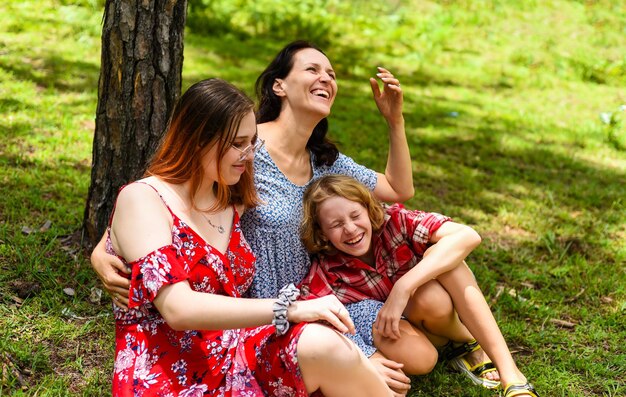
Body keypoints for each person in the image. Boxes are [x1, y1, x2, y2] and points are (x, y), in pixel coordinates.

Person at [92, 40, 448, 395]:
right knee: (330, 348)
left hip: (249, 337)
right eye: (239, 144)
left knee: (383, 354)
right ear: (198, 139)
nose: (248, 155)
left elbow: (398, 189)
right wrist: (103, 252)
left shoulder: (233, 194)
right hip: (173, 367)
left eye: (250, 144)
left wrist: (394, 121)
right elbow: (172, 292)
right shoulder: (179, 192)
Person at [297, 174, 541, 397]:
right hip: (399, 330)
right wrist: (365, 358)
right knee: (421, 359)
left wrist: (402, 288)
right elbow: (310, 318)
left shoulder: (396, 223)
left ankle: (511, 374)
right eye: (336, 225)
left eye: (355, 216)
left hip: (430, 306)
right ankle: (461, 341)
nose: (350, 229)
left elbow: (467, 235)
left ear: (368, 209)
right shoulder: (328, 270)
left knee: (448, 261)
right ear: (322, 233)